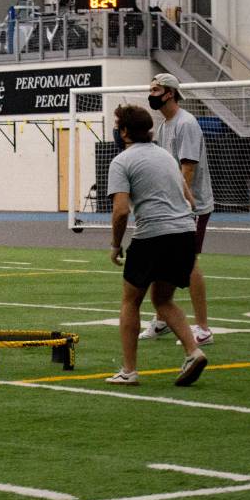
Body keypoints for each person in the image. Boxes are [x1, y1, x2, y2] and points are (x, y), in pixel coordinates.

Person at [105, 104, 208, 387]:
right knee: (162, 300)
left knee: (131, 301)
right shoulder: (165, 156)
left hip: (152, 235)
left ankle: (129, 370)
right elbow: (190, 201)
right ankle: (193, 352)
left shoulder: (121, 162)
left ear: (124, 131)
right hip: (184, 234)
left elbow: (121, 211)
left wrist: (115, 245)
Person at [139, 72, 215, 346]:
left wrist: (182, 203)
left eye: (155, 90)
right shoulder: (165, 126)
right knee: (161, 259)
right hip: (172, 205)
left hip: (191, 206)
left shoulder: (186, 124)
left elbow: (188, 168)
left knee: (189, 263)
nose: (151, 94)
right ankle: (162, 320)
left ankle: (203, 329)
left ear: (169, 93)